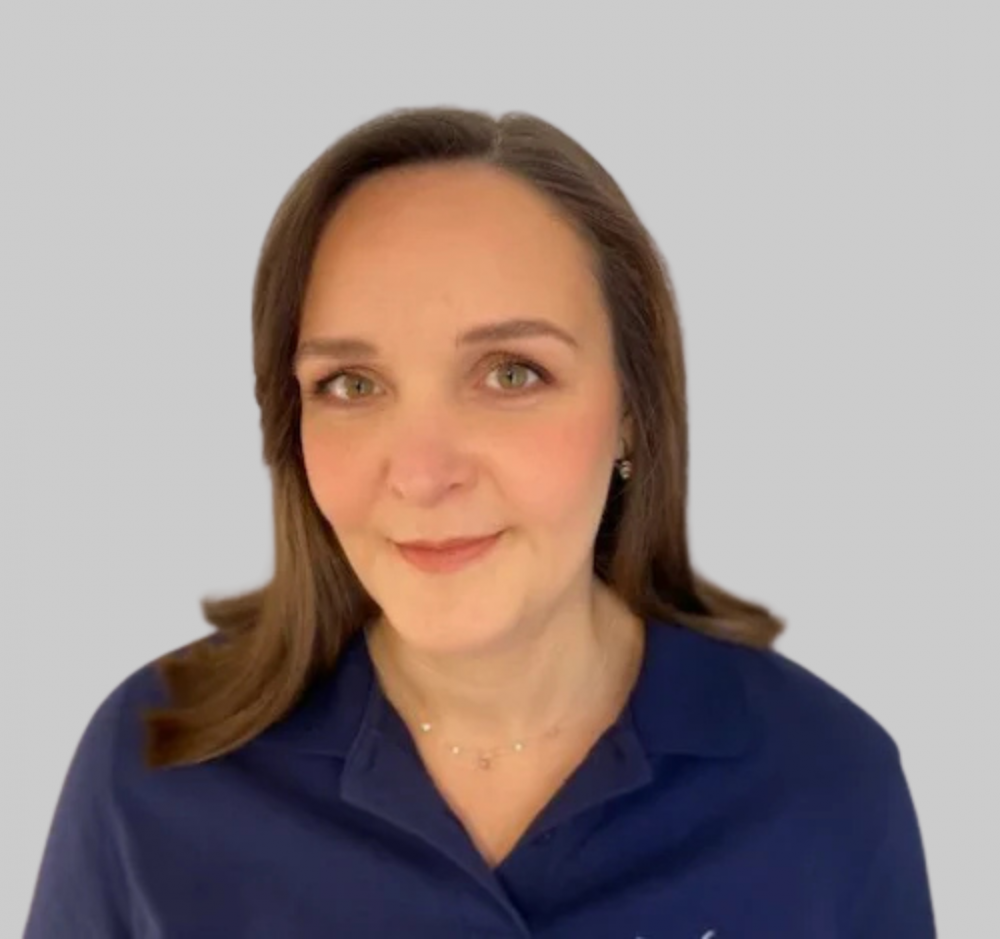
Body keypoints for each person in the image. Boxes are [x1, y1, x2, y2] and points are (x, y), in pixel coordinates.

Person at [23, 106, 936, 937]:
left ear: (631, 408)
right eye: (351, 384)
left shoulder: (824, 785)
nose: (423, 475)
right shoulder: (153, 763)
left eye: (510, 373)